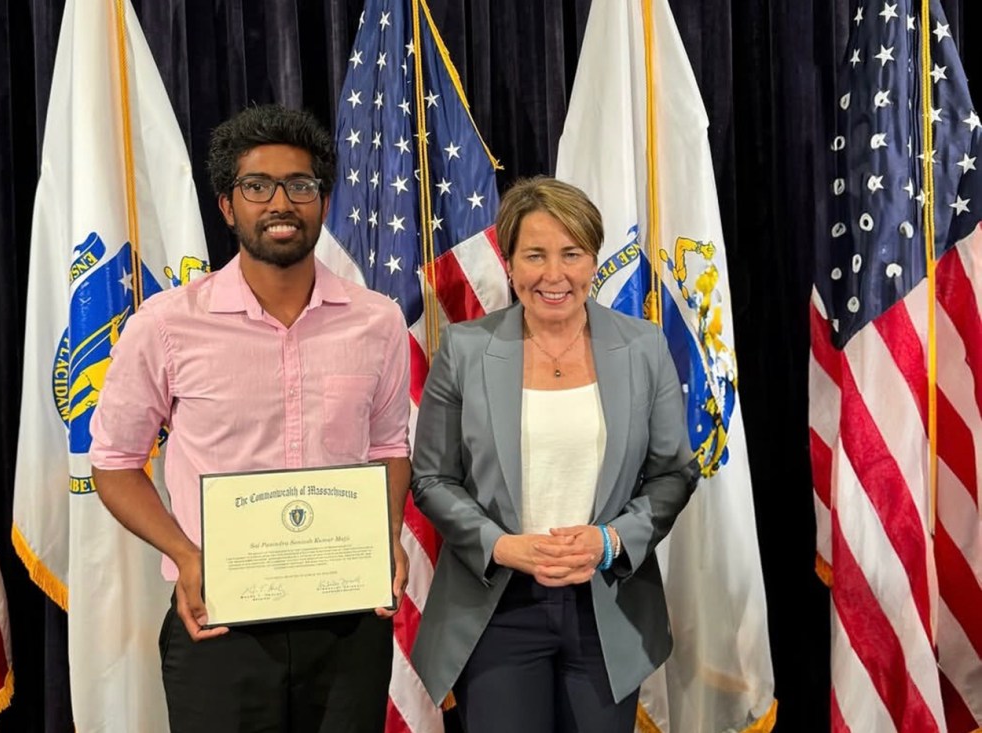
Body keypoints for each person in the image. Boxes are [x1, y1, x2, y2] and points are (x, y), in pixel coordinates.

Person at [88, 104, 411, 733]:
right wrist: (186, 555)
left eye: (301, 186)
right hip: (220, 622)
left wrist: (386, 536)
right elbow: (115, 464)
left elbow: (389, 447)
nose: (280, 203)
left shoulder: (378, 322)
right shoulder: (167, 324)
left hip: (347, 619)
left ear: (323, 200)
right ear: (228, 206)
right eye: (257, 187)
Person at [409, 177, 700, 733]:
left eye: (571, 254)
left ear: (594, 260)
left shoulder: (643, 346)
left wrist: (611, 540)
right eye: (535, 255)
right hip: (495, 608)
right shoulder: (466, 350)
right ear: (510, 264)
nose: (553, 275)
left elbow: (673, 474)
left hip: (607, 605)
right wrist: (501, 545)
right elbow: (432, 479)